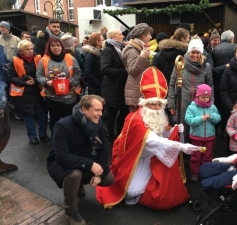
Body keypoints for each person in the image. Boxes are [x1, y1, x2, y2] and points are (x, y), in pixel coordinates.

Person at [96, 67, 200, 210]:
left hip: (155, 154)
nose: (156, 107)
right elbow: (151, 140)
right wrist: (180, 146)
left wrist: (177, 131)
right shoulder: (137, 119)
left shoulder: (159, 116)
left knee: (164, 187)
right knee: (132, 191)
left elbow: (164, 134)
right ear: (145, 103)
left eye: (159, 104)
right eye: (153, 103)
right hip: (136, 159)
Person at [47, 95, 114, 225]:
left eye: (101, 110)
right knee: (74, 175)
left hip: (82, 158)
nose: (100, 114)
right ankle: (71, 212)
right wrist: (90, 164)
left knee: (109, 178)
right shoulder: (62, 125)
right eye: (96, 110)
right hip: (59, 162)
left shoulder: (97, 124)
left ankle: (78, 185)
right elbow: (61, 156)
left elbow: (103, 150)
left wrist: (98, 174)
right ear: (84, 109)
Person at [36, 37, 82, 140]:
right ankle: (55, 140)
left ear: (62, 47)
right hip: (52, 97)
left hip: (69, 96)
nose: (56, 48)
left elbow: (78, 73)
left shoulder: (70, 58)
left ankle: (68, 139)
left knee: (68, 120)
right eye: (53, 46)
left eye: (58, 45)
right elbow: (39, 75)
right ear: (49, 47)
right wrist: (47, 82)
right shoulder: (44, 60)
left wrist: (68, 82)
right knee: (54, 120)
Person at [168, 37, 214, 139]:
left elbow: (210, 86)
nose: (195, 55)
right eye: (193, 52)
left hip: (199, 104)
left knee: (196, 128)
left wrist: (211, 104)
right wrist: (171, 103)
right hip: (182, 102)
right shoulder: (180, 65)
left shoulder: (206, 67)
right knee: (182, 128)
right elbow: (171, 84)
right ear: (189, 52)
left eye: (198, 52)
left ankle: (194, 152)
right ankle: (183, 152)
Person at [7, 40, 50, 146]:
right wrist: (24, 82)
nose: (30, 51)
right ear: (21, 50)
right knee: (28, 115)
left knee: (42, 114)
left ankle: (43, 134)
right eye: (27, 49)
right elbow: (10, 77)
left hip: (38, 91)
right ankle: (32, 136)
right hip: (24, 93)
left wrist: (35, 80)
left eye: (31, 48)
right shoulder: (15, 60)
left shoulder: (38, 58)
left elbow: (44, 73)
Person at [185, 84, 221, 182]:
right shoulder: (192, 108)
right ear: (197, 96)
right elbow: (188, 120)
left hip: (209, 136)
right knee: (196, 154)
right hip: (197, 136)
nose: (205, 99)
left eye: (207, 97)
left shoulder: (212, 107)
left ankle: (206, 171)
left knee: (207, 154)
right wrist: (200, 119)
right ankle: (195, 172)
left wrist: (212, 117)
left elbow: (218, 118)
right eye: (203, 97)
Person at [100, 28, 129, 144]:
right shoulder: (108, 50)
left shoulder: (120, 48)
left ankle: (119, 135)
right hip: (112, 87)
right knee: (112, 113)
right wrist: (125, 72)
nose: (123, 37)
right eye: (120, 34)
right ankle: (111, 137)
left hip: (121, 86)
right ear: (112, 37)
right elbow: (105, 69)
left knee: (123, 111)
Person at [211, 30, 236, 137]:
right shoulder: (236, 48)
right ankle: (227, 129)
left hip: (217, 83)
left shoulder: (214, 50)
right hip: (232, 83)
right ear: (232, 39)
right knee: (229, 106)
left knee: (217, 106)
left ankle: (216, 129)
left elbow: (212, 69)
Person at [122, 23, 153, 112]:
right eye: (149, 34)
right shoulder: (132, 50)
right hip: (135, 92)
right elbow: (133, 71)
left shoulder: (139, 48)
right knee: (136, 120)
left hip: (139, 90)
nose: (150, 37)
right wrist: (142, 57)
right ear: (143, 35)